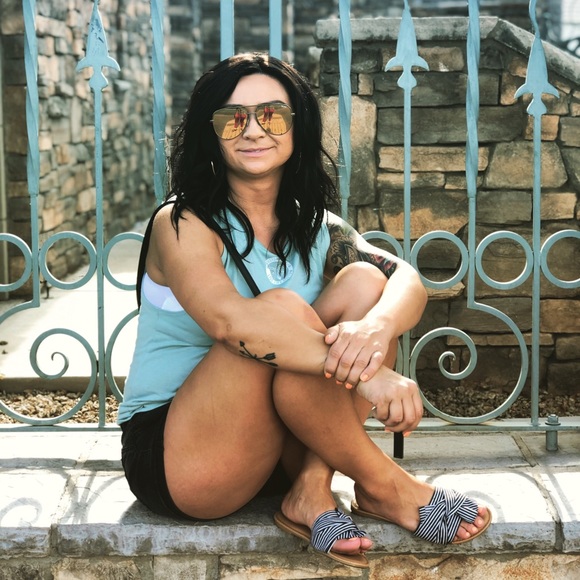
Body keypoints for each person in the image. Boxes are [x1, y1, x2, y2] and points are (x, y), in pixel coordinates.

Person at [118, 52, 491, 568]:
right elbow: (229, 322)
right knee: (280, 308)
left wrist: (375, 330)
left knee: (365, 284)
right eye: (233, 118)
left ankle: (311, 488)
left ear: (298, 127)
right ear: (211, 132)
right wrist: (370, 376)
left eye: (272, 115)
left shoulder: (314, 225)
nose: (253, 130)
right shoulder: (182, 222)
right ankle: (385, 484)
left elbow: (404, 278)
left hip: (281, 451)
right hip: (184, 458)